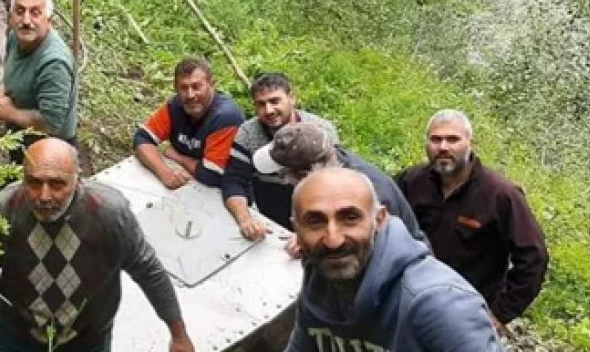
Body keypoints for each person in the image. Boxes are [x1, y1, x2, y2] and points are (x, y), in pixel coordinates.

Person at [233, 167, 544, 352]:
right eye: (315, 221)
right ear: (295, 229)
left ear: (379, 220)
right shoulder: (322, 290)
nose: (333, 239)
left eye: (349, 217)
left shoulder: (435, 305)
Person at [0, 138, 196, 352]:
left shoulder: (108, 214)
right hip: (16, 330)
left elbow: (148, 271)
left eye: (57, 184)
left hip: (86, 341)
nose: (44, 196)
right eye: (34, 183)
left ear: (77, 179)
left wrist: (178, 334)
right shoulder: (6, 208)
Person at [396, 110, 549, 333]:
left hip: (465, 318)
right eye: (436, 139)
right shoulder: (411, 181)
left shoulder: (500, 195)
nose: (443, 147)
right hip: (406, 306)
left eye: (453, 139)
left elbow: (533, 257)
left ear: (471, 143)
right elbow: (380, 230)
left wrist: (499, 314)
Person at [253, 122, 423, 245]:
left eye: (285, 173)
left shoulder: (370, 195)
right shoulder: (332, 161)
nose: (286, 181)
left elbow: (372, 256)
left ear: (305, 174)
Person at [0, 0, 77, 163]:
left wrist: (10, 114)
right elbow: (11, 79)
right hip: (21, 138)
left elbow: (51, 123)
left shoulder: (54, 63)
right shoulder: (15, 39)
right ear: (10, 18)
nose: (26, 21)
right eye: (19, 11)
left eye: (35, 13)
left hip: (52, 152)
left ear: (49, 22)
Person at [222, 73, 338, 240]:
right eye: (261, 104)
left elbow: (335, 188)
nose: (268, 110)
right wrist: (245, 219)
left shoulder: (321, 131)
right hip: (270, 218)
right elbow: (233, 180)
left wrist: (310, 232)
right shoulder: (247, 133)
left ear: (292, 98)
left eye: (275, 101)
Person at [133, 58, 245, 189]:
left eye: (196, 87)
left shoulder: (226, 117)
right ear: (176, 89)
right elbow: (141, 138)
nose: (190, 95)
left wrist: (178, 156)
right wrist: (165, 173)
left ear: (212, 84)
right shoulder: (174, 106)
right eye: (183, 88)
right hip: (187, 179)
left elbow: (212, 175)